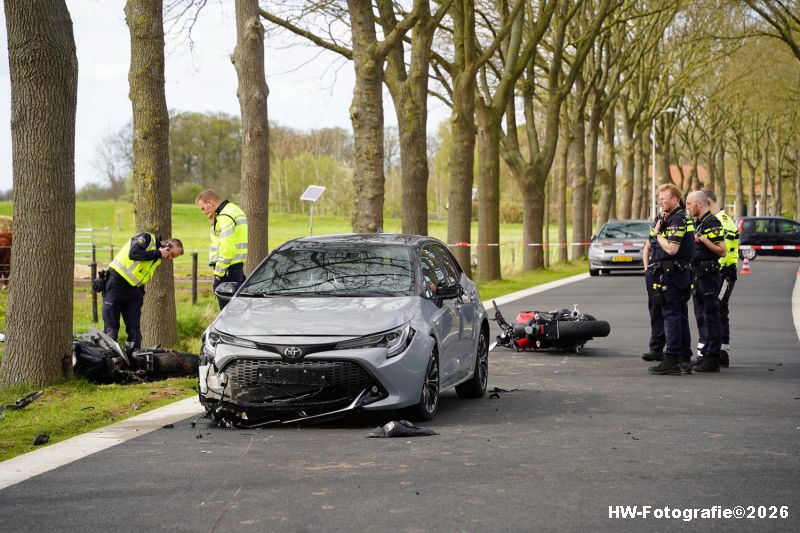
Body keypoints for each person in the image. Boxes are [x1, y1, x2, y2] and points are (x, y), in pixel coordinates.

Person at [103, 233, 183, 350]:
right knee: (112, 327)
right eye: (171, 254)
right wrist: (158, 253)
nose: (169, 258)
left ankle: (134, 359)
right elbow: (133, 254)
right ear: (167, 245)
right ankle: (109, 358)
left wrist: (140, 292)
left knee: (134, 328)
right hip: (116, 284)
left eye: (173, 257)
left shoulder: (157, 259)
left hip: (134, 290)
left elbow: (141, 275)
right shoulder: (146, 238)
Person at [647, 184, 694, 375]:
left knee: (672, 317)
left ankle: (672, 359)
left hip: (673, 276)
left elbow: (672, 249)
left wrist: (658, 233)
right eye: (659, 199)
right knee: (680, 316)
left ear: (675, 199)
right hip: (678, 275)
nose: (660, 202)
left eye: (664, 199)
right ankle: (684, 357)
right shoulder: (672, 218)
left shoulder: (677, 219)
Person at [695, 189, 738, 367]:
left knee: (717, 311)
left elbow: (722, 251)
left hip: (723, 273)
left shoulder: (721, 222)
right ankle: (715, 351)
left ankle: (719, 353)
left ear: (708, 203)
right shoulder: (711, 221)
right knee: (714, 311)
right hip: (717, 273)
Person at [686, 190, 727, 373]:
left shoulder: (712, 223)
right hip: (698, 276)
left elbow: (722, 250)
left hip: (710, 276)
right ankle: (705, 355)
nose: (687, 207)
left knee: (711, 316)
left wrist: (703, 240)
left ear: (700, 204)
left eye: (689, 204)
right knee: (701, 317)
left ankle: (713, 358)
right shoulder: (698, 223)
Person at [195, 189, 249, 309]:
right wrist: (212, 221)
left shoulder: (225, 216)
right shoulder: (233, 210)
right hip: (235, 268)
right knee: (236, 310)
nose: (203, 212)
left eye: (203, 208)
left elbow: (226, 245)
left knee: (227, 313)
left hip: (226, 271)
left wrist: (219, 272)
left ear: (210, 202)